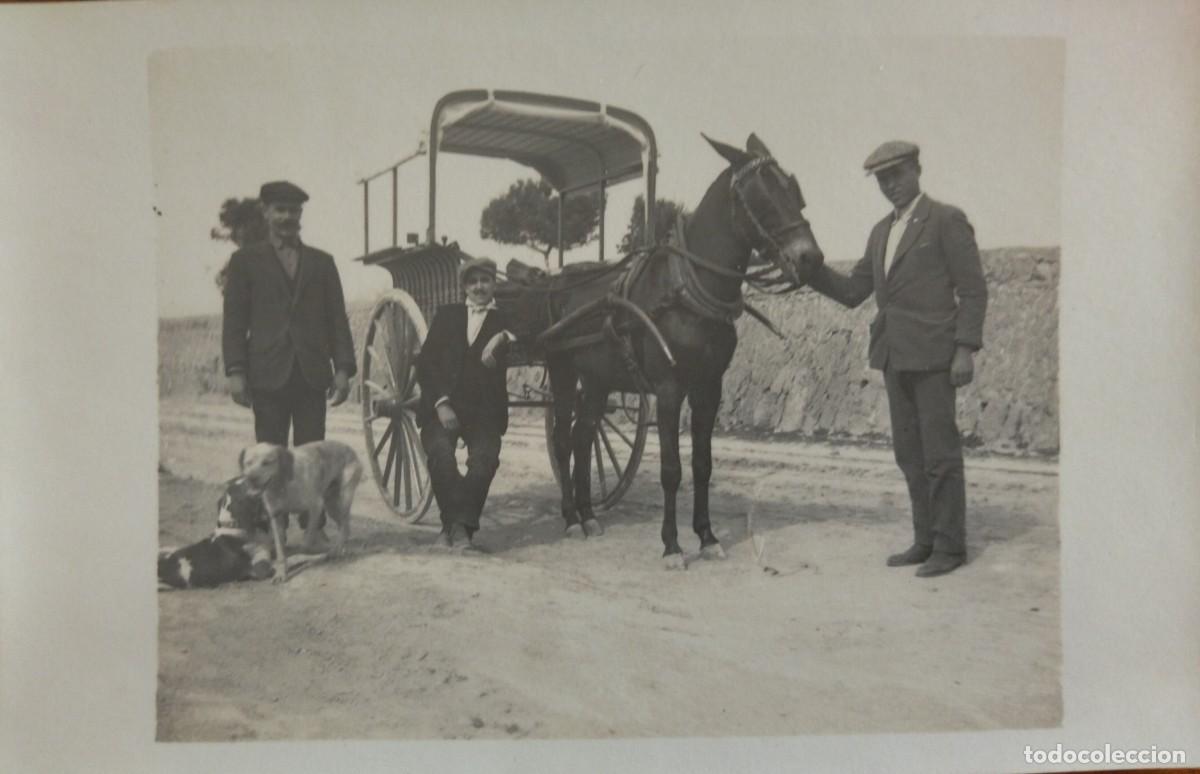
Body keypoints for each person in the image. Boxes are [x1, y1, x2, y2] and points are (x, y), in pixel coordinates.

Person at [808, 142, 988, 577]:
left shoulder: (946, 219)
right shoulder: (879, 233)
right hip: (893, 355)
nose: (891, 185)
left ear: (917, 170)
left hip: (934, 357)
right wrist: (810, 271)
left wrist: (964, 349)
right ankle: (924, 540)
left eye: (898, 174)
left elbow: (973, 290)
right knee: (909, 454)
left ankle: (950, 547)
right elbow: (854, 293)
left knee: (940, 453)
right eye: (883, 179)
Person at [221, 180, 357, 549]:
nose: (287, 217)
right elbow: (234, 321)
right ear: (265, 213)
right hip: (266, 373)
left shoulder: (322, 263)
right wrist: (236, 371)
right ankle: (269, 530)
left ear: (301, 215)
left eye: (293, 211)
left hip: (311, 374)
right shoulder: (245, 262)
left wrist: (343, 369)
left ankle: (314, 527)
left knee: (312, 455)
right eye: (279, 209)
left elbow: (337, 320)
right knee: (269, 457)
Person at [415, 257, 515, 551]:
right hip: (442, 408)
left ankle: (459, 528)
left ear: (494, 284)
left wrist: (502, 336)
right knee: (441, 455)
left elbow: (530, 332)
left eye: (485, 280)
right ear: (464, 288)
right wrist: (441, 403)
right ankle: (454, 525)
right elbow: (425, 363)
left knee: (485, 460)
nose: (479, 287)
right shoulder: (447, 315)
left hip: (484, 412)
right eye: (473, 282)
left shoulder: (504, 318)